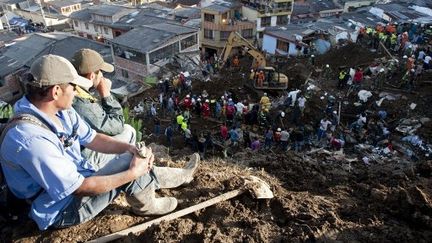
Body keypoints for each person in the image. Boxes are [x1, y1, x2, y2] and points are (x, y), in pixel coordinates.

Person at [0, 55, 200, 230]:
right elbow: (80, 188)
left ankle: (180, 177)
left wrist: (129, 147)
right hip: (60, 208)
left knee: (131, 154)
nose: (76, 91)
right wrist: (132, 172)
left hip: (78, 175)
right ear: (56, 91)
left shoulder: (60, 112)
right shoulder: (31, 140)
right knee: (128, 164)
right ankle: (146, 206)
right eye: (73, 86)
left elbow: (93, 138)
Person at [71, 49, 124, 136]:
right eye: (100, 72)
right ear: (91, 76)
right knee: (129, 131)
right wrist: (106, 94)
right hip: (84, 147)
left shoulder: (70, 88)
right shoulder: (81, 101)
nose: (102, 75)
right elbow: (117, 125)